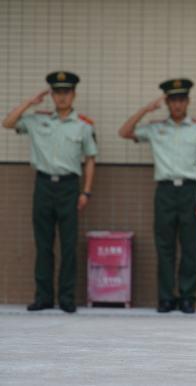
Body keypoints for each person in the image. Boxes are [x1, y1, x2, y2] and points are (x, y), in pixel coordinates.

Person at [1, 71, 98, 313]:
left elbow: (90, 159)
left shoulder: (83, 126)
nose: (62, 97)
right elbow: (8, 123)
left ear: (73, 95)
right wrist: (30, 102)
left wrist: (86, 192)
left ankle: (66, 298)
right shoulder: (36, 120)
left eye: (66, 93)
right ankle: (43, 297)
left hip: (69, 187)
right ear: (52, 95)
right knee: (43, 244)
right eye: (57, 93)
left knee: (68, 245)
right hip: (43, 185)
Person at [118, 79, 196, 313]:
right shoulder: (155, 128)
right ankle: (166, 297)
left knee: (190, 247)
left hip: (192, 190)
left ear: (187, 101)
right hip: (165, 191)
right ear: (167, 102)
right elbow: (124, 132)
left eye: (181, 99)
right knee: (165, 246)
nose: (177, 104)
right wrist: (145, 110)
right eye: (173, 100)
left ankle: (187, 297)